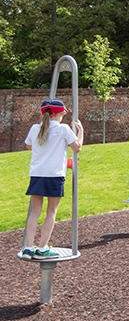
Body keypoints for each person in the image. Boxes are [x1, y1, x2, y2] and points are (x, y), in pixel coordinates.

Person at [21, 98, 84, 260]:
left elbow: (29, 146)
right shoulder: (63, 129)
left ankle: (28, 247)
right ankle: (42, 248)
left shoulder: (35, 128)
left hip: (37, 174)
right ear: (59, 113)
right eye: (63, 113)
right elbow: (77, 148)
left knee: (35, 212)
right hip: (54, 175)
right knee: (51, 211)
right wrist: (81, 132)